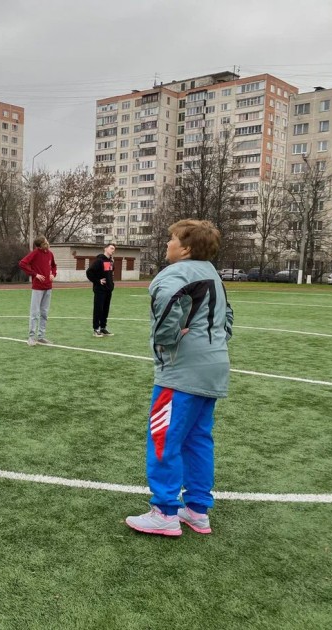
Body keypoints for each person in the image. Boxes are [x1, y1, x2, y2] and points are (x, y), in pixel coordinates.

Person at [126, 219, 233, 537]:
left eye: (171, 239)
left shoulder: (174, 275)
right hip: (214, 365)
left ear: (185, 248)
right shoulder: (212, 272)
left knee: (163, 438)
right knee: (198, 438)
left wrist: (170, 339)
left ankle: (164, 512)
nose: (167, 244)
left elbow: (167, 324)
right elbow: (227, 318)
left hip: (181, 371)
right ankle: (197, 510)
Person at [19, 235, 57, 346]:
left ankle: (41, 337)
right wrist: (34, 274)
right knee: (34, 313)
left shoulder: (50, 254)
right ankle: (31, 337)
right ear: (41, 244)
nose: (47, 242)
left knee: (44, 313)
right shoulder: (35, 253)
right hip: (37, 288)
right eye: (45, 241)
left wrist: (53, 274)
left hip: (48, 287)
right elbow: (22, 263)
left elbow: (54, 266)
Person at [86, 243, 116, 337]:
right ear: (105, 249)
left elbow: (109, 273)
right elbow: (89, 272)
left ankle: (103, 327)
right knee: (98, 309)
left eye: (114, 249)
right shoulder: (99, 260)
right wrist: (97, 281)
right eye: (111, 248)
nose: (113, 250)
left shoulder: (110, 261)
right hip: (100, 290)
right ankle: (96, 329)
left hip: (108, 290)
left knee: (105, 310)